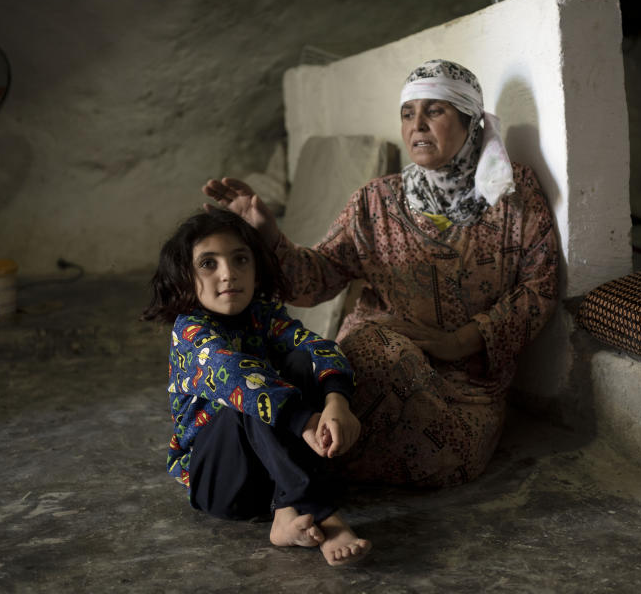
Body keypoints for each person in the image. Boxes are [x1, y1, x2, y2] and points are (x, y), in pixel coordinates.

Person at [203, 59, 558, 488]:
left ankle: (297, 476)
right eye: (408, 113)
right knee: (372, 360)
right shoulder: (376, 202)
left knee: (447, 456)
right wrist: (268, 234)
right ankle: (286, 474)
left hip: (467, 388)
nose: (417, 125)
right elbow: (312, 280)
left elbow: (539, 289)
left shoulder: (513, 195)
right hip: (376, 367)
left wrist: (462, 340)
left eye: (435, 110)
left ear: (471, 121)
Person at [142, 208, 371, 566]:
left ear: (255, 266)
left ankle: (285, 510)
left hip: (269, 470)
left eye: (240, 259)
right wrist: (306, 421)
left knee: (298, 361)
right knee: (246, 392)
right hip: (222, 484)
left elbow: (318, 348)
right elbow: (233, 374)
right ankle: (322, 514)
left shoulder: (261, 314)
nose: (228, 274)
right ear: (185, 277)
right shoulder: (190, 331)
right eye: (208, 264)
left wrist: (336, 402)